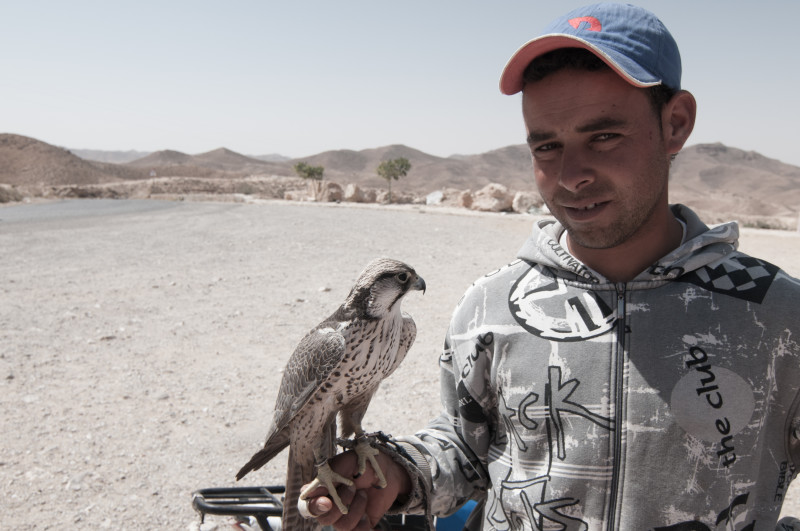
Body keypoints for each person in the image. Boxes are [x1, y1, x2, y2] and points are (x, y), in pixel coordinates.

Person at [303, 3, 800, 529]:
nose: (570, 176)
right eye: (546, 146)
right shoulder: (490, 308)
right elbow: (465, 449)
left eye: (604, 137)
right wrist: (396, 473)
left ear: (674, 124)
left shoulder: (777, 315)